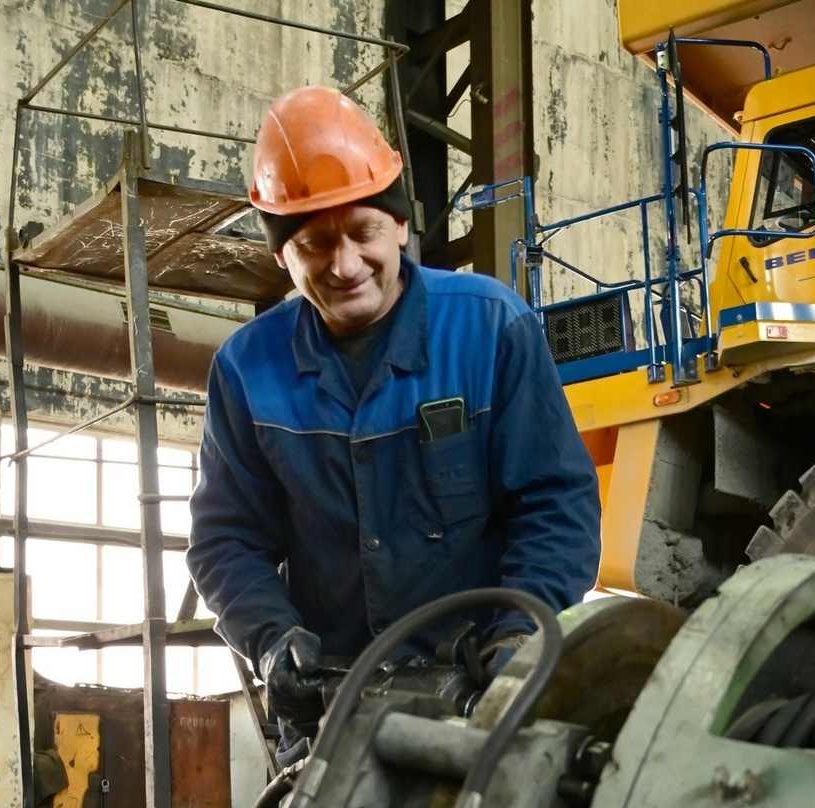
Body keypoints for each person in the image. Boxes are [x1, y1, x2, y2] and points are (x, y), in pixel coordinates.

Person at [187, 85, 601, 759]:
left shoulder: (491, 327)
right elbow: (225, 541)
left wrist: (519, 633)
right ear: (281, 256)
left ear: (402, 224)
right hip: (333, 713)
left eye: (363, 232)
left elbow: (556, 501)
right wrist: (272, 640)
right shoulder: (245, 371)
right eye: (315, 244)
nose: (345, 265)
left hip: (486, 696)